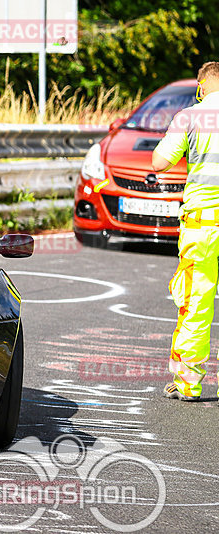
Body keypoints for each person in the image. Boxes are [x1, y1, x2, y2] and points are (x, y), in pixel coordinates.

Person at [152, 61, 219, 401]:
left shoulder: (191, 116)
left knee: (196, 303)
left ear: (201, 85)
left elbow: (159, 162)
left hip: (203, 226)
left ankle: (189, 384)